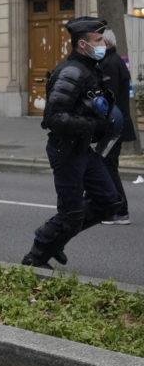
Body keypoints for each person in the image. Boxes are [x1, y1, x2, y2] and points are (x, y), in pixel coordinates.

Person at [21, 17, 125, 267]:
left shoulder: (90, 68)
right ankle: (37, 254)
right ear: (82, 44)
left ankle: (57, 240)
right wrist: (95, 125)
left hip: (83, 149)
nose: (103, 44)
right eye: (98, 40)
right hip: (66, 151)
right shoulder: (70, 72)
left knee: (108, 201)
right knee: (71, 213)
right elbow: (53, 119)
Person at [98, 28, 134, 225]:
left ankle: (119, 210)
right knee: (106, 165)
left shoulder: (110, 64)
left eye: (98, 41)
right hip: (116, 124)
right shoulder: (114, 61)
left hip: (113, 126)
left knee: (107, 166)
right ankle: (111, 208)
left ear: (107, 44)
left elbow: (107, 98)